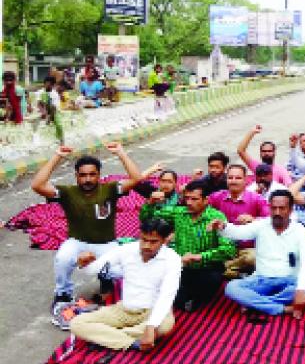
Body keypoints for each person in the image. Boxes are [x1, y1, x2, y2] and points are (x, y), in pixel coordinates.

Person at [30, 143, 143, 320]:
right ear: (76, 176)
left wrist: (121, 153)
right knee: (63, 258)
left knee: (121, 272)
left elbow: (137, 178)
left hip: (106, 244)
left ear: (99, 175)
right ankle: (63, 294)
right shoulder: (67, 192)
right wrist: (57, 156)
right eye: (82, 175)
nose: (87, 179)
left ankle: (106, 280)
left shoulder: (110, 189)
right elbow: (37, 185)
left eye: (92, 174)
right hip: (77, 242)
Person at [70, 219, 181, 351]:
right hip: (124, 310)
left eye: (153, 242)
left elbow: (166, 296)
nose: (146, 245)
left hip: (151, 312)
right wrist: (83, 263)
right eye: (144, 239)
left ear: (164, 241)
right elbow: (94, 269)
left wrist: (151, 326)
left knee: (165, 325)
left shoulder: (173, 260)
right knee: (77, 324)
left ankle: (107, 338)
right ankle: (131, 342)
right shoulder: (126, 250)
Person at [212, 190, 305, 320]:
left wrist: (300, 289)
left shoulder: (300, 231)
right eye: (274, 208)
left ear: (290, 210)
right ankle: (282, 308)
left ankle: (255, 303)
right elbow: (239, 233)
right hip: (261, 279)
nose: (277, 212)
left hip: (289, 280)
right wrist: (223, 227)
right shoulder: (261, 225)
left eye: (282, 208)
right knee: (231, 288)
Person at [140, 180, 236, 312]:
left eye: (194, 199)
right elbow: (147, 218)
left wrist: (200, 256)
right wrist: (150, 203)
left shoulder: (216, 217)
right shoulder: (179, 213)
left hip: (206, 269)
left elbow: (229, 250)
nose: (189, 202)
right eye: (187, 198)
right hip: (180, 267)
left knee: (210, 282)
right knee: (176, 297)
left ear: (206, 200)